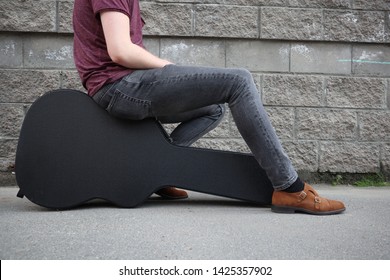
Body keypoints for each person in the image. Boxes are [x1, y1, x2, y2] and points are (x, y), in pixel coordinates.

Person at [73, 0, 345, 214]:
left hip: (122, 86)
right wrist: (169, 67)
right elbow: (120, 50)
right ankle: (289, 188)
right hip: (119, 86)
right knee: (238, 81)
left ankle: (162, 169)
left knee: (213, 108)